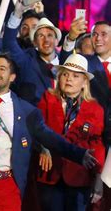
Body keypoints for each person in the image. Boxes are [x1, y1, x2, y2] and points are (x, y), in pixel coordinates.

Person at [0, 54, 97, 210]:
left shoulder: (27, 111)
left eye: (2, 68)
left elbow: (50, 138)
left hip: (6, 185)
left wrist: (79, 154)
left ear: (12, 77)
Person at [36, 53, 105, 211]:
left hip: (79, 176)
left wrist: (99, 176)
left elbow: (96, 145)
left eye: (75, 76)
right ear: (59, 78)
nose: (69, 79)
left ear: (84, 82)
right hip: (49, 173)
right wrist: (42, 148)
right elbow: (37, 131)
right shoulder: (47, 99)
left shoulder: (95, 108)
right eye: (65, 74)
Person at [60, 20, 111, 209]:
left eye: (104, 34)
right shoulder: (85, 62)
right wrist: (71, 38)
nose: (98, 38)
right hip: (91, 138)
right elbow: (66, 60)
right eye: (94, 34)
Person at [3, 0, 61, 105]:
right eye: (41, 36)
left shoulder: (65, 61)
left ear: (57, 41)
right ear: (34, 42)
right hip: (33, 119)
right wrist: (17, 13)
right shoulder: (27, 60)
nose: (46, 40)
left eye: (50, 35)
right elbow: (9, 42)